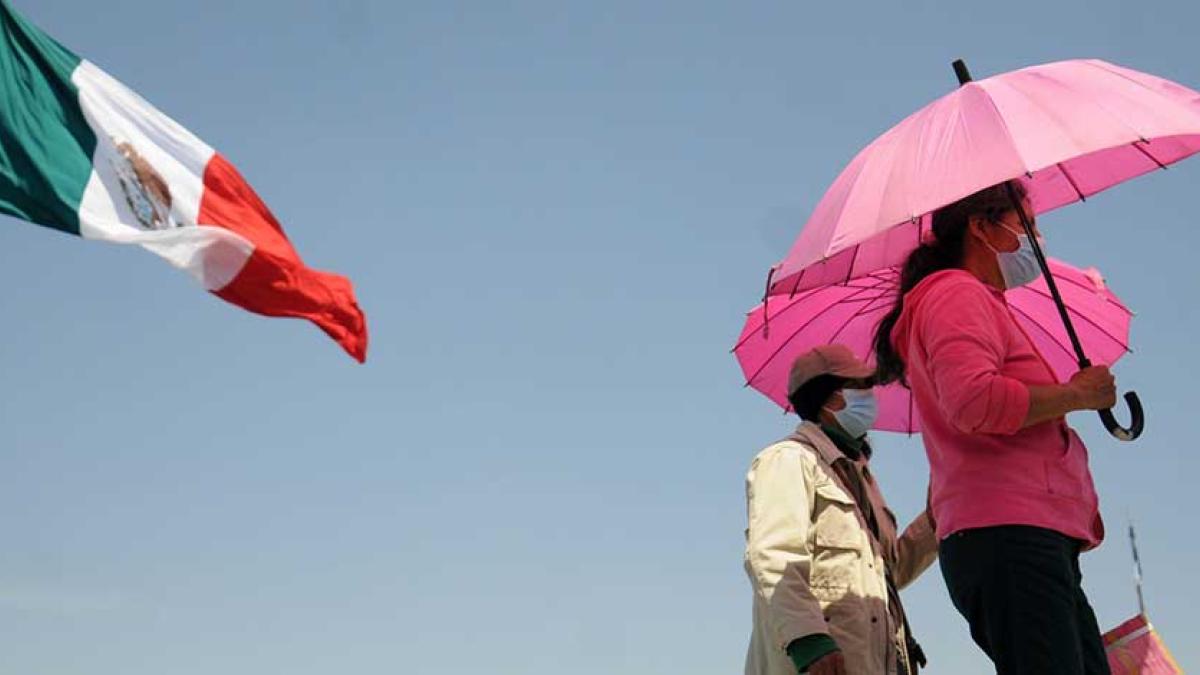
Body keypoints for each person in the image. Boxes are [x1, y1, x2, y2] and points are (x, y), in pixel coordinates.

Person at [872, 181, 1117, 674]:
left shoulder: (971, 300)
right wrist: (1077, 395)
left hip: (1027, 537)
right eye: (1027, 224)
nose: (1036, 239)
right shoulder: (955, 294)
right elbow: (974, 400)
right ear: (981, 228)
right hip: (1012, 536)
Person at [744, 345, 938, 675]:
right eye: (860, 388)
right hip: (816, 664)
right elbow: (774, 556)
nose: (870, 397)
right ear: (831, 400)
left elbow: (890, 572)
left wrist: (938, 513)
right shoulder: (789, 460)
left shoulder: (858, 479)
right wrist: (809, 641)